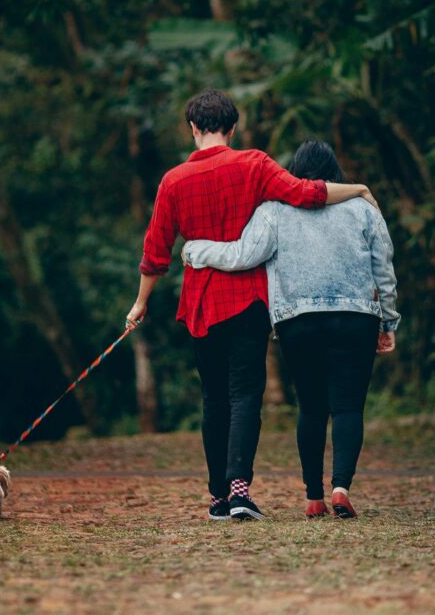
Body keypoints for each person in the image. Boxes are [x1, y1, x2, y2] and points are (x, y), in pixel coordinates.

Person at [125, 90, 378, 521]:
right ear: (233, 126)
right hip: (248, 302)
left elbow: (156, 252)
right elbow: (305, 194)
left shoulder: (173, 181)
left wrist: (140, 303)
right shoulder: (255, 164)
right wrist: (357, 188)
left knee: (213, 400)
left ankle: (218, 499)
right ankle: (241, 493)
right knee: (245, 396)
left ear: (192, 128)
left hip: (200, 304)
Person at [183, 139, 399, 520]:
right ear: (335, 172)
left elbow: (241, 256)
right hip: (356, 318)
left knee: (311, 406)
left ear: (294, 173)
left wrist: (196, 249)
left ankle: (313, 496)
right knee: (348, 406)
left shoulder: (274, 210)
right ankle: (340, 488)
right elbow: (384, 267)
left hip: (298, 322)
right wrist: (388, 320)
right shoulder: (364, 209)